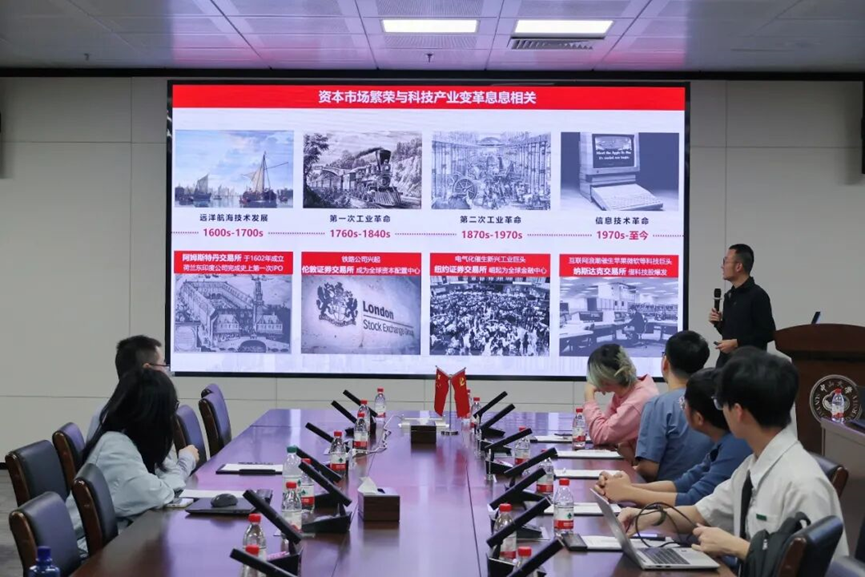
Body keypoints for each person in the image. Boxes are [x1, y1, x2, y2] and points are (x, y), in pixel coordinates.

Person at [617, 349, 848, 563]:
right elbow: (701, 513)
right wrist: (645, 517)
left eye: (721, 404)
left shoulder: (803, 484)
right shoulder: (752, 465)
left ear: (738, 412)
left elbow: (811, 566)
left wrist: (740, 548)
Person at [67, 369, 199, 552]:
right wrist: (183, 465)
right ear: (154, 414)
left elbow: (168, 476)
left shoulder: (137, 441)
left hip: (116, 545)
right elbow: (157, 495)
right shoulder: (115, 449)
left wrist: (171, 477)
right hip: (90, 557)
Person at [595, 368, 751, 507]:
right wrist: (625, 488)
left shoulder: (734, 447)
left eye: (683, 405)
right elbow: (682, 484)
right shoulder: (724, 443)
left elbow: (693, 501)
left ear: (698, 418)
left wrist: (628, 493)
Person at [631, 331, 715, 481]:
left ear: (665, 363)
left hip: (667, 493)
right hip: (711, 491)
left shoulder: (658, 406)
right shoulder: (714, 401)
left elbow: (649, 470)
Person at [87, 335, 168, 442]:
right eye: (163, 365)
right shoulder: (136, 417)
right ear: (148, 370)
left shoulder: (108, 409)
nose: (166, 372)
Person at [583, 344, 659, 456]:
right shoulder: (625, 393)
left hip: (642, 465)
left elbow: (599, 435)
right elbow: (607, 428)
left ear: (604, 381)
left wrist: (589, 398)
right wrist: (623, 442)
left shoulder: (639, 400)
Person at [709, 244, 776, 367]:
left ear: (738, 266)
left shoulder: (757, 295)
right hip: (726, 363)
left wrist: (737, 343)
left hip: (749, 366)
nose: (722, 266)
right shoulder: (729, 295)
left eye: (725, 261)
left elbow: (768, 333)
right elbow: (733, 332)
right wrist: (719, 324)